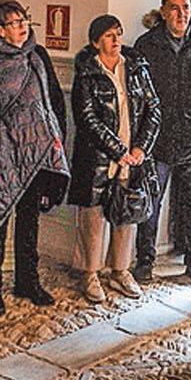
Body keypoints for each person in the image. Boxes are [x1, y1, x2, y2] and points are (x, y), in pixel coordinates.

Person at [0, 0, 70, 315]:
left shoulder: (37, 55)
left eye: (24, 19)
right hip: (2, 149)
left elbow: (53, 98)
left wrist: (56, 139)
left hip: (38, 149)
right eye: (15, 22)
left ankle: (28, 280)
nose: (23, 25)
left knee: (29, 219)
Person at [133, 0, 191, 289]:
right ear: (163, 11)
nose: (181, 13)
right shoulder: (146, 45)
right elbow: (137, 97)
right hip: (156, 142)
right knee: (151, 204)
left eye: (185, 7)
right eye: (174, 8)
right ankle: (145, 261)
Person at [68, 15, 160, 303]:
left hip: (132, 158)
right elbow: (87, 118)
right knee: (93, 216)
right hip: (98, 158)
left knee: (126, 212)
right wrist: (117, 149)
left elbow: (153, 110)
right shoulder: (87, 72)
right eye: (109, 35)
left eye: (118, 34)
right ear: (96, 42)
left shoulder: (136, 68)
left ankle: (120, 270)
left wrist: (140, 149)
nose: (116, 40)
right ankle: (90, 273)